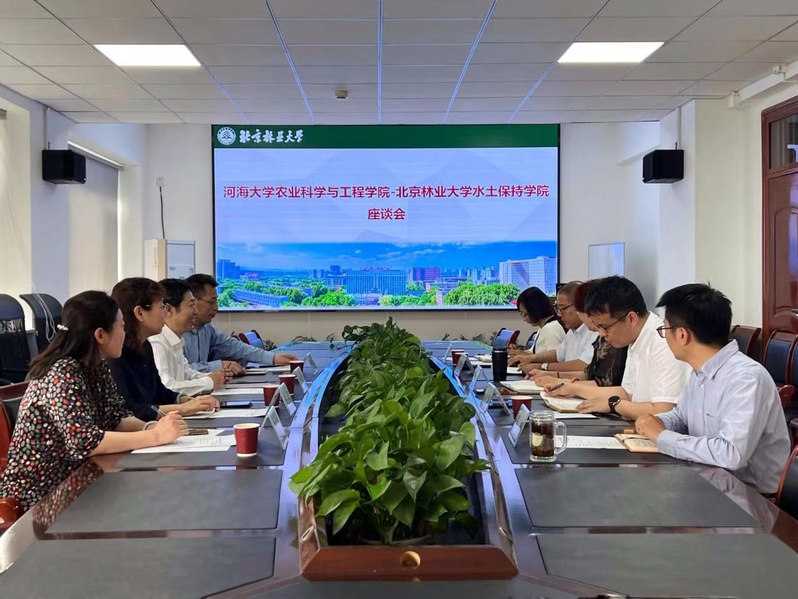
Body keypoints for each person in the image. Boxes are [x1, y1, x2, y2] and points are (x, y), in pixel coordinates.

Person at [0, 291, 186, 511]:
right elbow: (85, 442)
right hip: (42, 495)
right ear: (100, 335)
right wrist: (154, 436)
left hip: (82, 481)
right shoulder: (62, 372)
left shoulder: (97, 364)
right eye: (121, 327)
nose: (125, 334)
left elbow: (117, 417)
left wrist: (152, 426)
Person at [635, 284, 790, 495]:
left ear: (682, 335)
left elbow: (730, 454)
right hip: (708, 480)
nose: (665, 337)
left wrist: (662, 436)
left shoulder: (745, 380)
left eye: (664, 330)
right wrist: (657, 422)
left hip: (748, 497)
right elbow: (682, 417)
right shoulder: (700, 371)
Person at [544, 276, 688, 419]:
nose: (601, 334)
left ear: (631, 319)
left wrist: (614, 404)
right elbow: (627, 393)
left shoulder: (662, 342)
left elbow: (663, 411)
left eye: (605, 327)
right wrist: (572, 388)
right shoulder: (635, 338)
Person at [109, 278, 219, 421]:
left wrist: (184, 400)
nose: (165, 314)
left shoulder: (144, 346)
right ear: (140, 313)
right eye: (162, 307)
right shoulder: (116, 355)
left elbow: (159, 392)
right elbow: (129, 409)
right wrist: (182, 408)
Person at [183, 274, 297, 375]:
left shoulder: (207, 329)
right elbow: (181, 371)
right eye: (211, 302)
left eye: (216, 302)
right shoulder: (178, 332)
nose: (216, 308)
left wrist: (274, 358)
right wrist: (220, 365)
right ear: (193, 301)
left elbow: (235, 347)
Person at [532, 279, 627, 387]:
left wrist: (567, 386)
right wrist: (554, 376)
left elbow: (607, 386)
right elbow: (588, 374)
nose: (601, 333)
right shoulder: (598, 334)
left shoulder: (612, 338)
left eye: (563, 308)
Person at [150, 279, 230, 396]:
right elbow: (167, 387)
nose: (196, 312)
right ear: (169, 309)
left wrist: (214, 376)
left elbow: (187, 374)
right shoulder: (157, 344)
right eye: (191, 305)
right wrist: (209, 382)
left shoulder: (176, 339)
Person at [510, 281, 597, 374]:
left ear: (579, 306)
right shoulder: (572, 331)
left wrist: (543, 366)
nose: (559, 314)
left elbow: (584, 365)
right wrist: (530, 358)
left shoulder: (595, 331)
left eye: (563, 308)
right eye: (558, 309)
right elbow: (558, 354)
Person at [515, 286, 565, 354]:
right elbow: (533, 352)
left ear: (534, 310)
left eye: (525, 314)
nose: (525, 319)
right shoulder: (544, 327)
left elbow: (554, 357)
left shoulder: (550, 329)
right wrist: (517, 352)